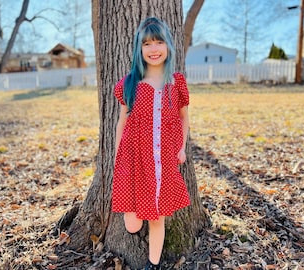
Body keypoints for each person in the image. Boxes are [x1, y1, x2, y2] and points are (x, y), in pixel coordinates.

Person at [112, 17, 190, 270]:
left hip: (164, 158)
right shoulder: (130, 83)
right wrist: (117, 156)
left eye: (159, 42)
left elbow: (183, 117)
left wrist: (181, 147)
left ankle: (153, 263)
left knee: (158, 216)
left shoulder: (176, 82)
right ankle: (140, 212)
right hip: (135, 158)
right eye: (147, 44)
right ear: (139, 49)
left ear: (168, 46)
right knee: (133, 223)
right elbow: (122, 123)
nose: (153, 49)